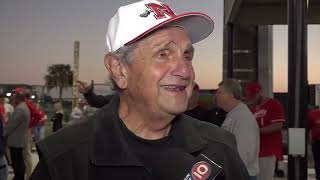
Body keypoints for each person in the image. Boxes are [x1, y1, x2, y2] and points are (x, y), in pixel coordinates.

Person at [30, 1, 249, 179]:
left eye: (187, 56)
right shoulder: (64, 159)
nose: (185, 70)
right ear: (120, 70)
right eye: (163, 54)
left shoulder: (220, 148)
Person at [215, 79, 260, 180]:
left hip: (241, 175)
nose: (216, 96)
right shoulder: (234, 115)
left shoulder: (242, 118)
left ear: (231, 95)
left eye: (220, 93)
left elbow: (243, 153)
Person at [245, 82, 285, 180]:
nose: (252, 99)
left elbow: (277, 125)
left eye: (254, 96)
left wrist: (257, 131)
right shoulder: (254, 108)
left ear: (260, 93)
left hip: (268, 151)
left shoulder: (273, 104)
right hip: (256, 151)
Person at [5, 89, 30, 180]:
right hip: (19, 139)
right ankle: (19, 176)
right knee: (19, 161)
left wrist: (4, 134)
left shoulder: (20, 109)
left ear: (17, 99)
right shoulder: (24, 107)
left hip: (15, 140)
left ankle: (18, 177)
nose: (12, 99)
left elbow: (11, 125)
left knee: (17, 162)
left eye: (14, 98)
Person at [308, 106, 320, 180]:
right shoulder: (313, 114)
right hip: (317, 142)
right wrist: (310, 140)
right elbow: (308, 128)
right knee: (318, 163)